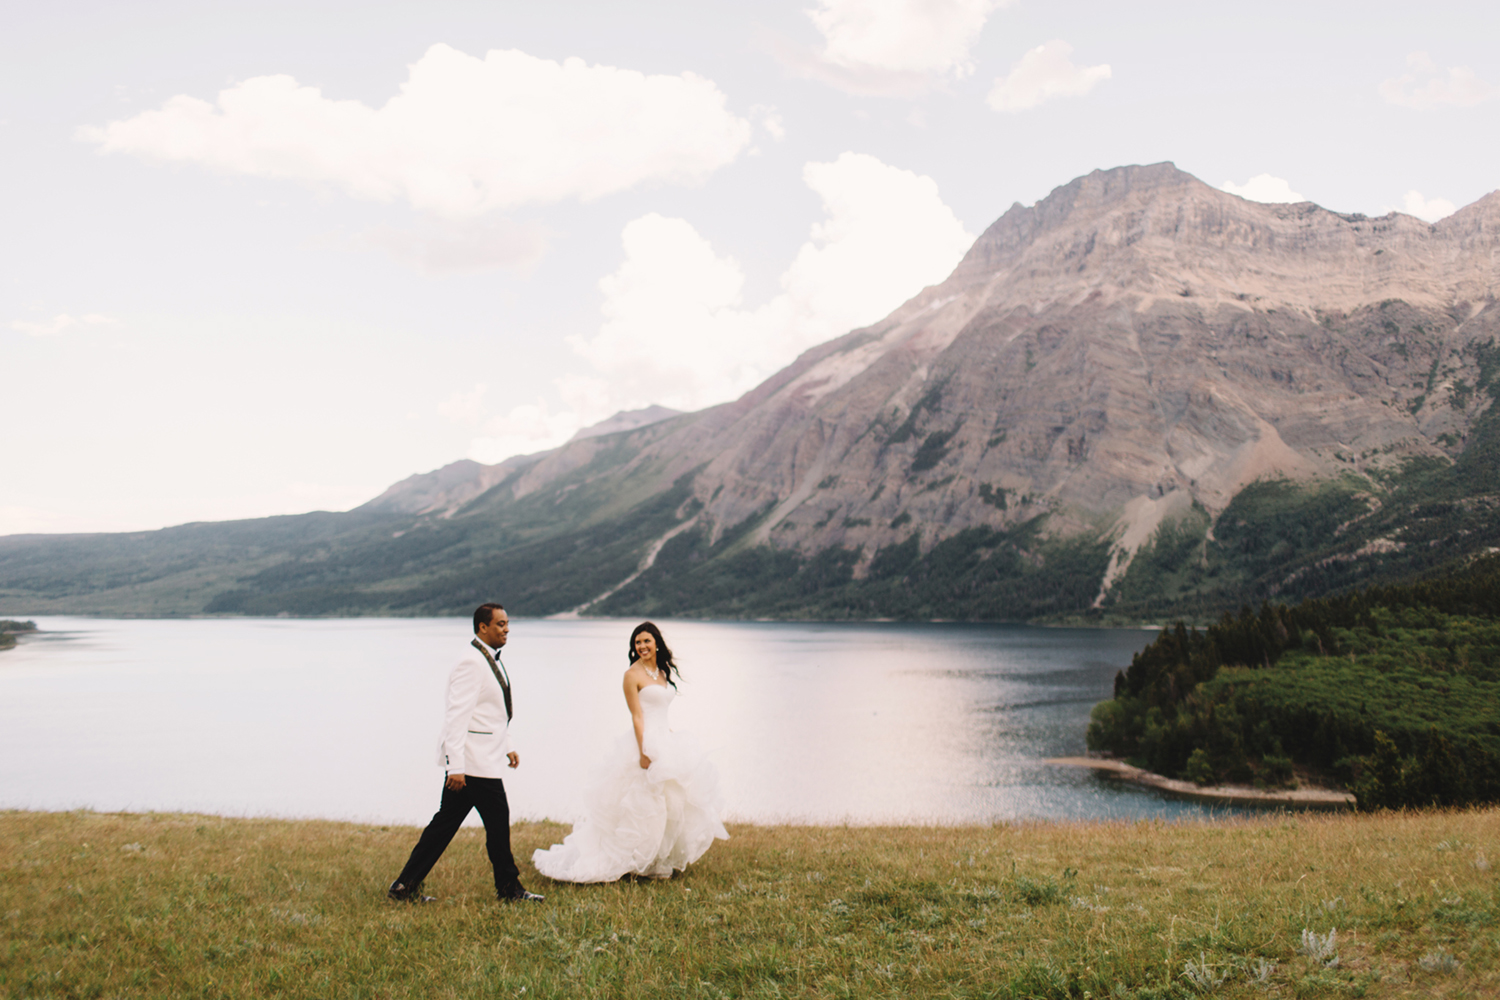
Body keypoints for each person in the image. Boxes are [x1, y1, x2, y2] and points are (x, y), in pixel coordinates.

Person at [533, 621, 728, 883]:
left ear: (656, 642)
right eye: (637, 642)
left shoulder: (661, 672)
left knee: (670, 802)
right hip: (644, 742)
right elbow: (637, 716)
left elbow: (659, 710)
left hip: (665, 739)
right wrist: (643, 751)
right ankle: (631, 860)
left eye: (646, 641)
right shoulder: (631, 675)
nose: (642, 646)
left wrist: (667, 736)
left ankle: (657, 860)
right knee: (642, 805)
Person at [388, 603, 543, 903]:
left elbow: (491, 712)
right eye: (500, 624)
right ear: (482, 627)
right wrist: (454, 766)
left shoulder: (489, 659)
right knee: (496, 821)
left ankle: (404, 886)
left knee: (443, 826)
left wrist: (507, 744)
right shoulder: (471, 662)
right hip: (472, 765)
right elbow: (457, 716)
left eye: (507, 623)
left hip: (481, 758)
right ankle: (509, 890)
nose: (506, 629)